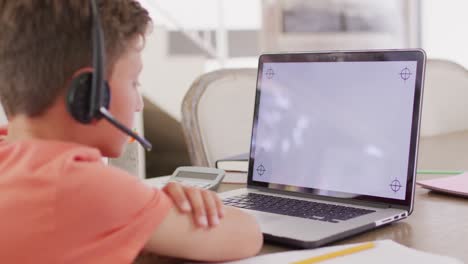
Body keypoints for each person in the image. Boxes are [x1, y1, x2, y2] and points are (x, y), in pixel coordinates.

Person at [0, 1, 262, 263]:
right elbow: (246, 235)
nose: (139, 103)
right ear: (88, 94)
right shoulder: (81, 186)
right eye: (134, 82)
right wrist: (158, 206)